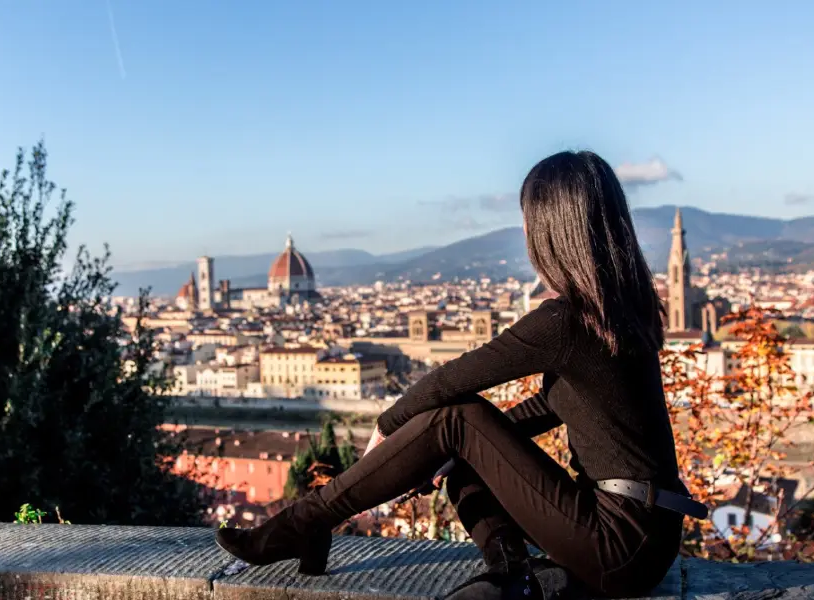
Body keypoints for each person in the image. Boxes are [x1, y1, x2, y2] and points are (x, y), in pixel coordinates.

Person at [215, 151, 707, 599]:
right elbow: (551, 406)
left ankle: (307, 521)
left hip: (620, 542)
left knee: (456, 419)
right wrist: (439, 452)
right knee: (459, 444)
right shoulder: (622, 310)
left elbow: (452, 381)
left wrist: (390, 428)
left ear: (552, 230)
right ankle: (508, 572)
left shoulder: (564, 322)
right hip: (647, 533)